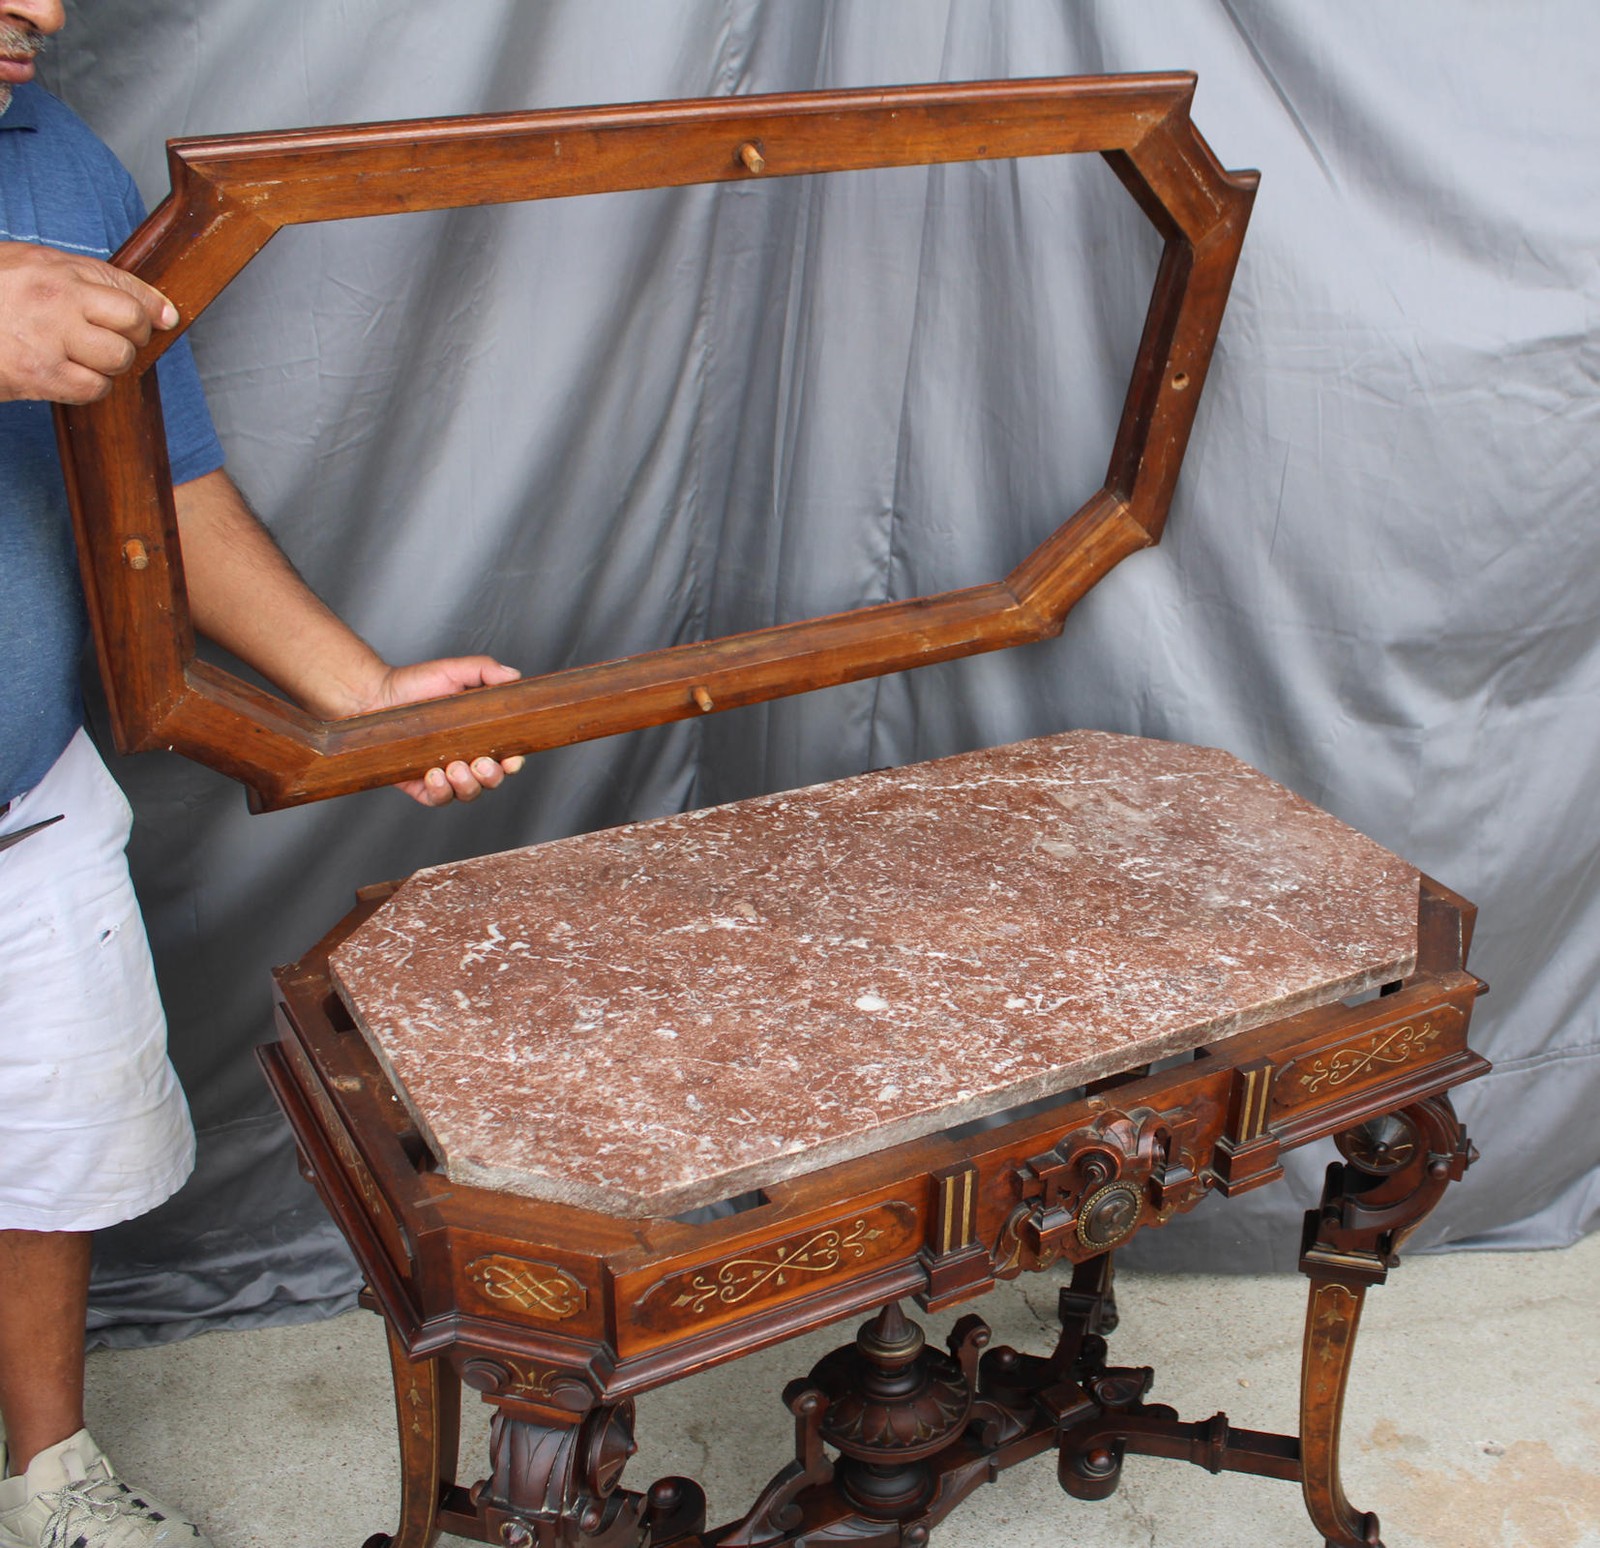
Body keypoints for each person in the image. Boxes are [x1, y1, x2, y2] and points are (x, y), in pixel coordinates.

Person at [0, 4, 524, 1543]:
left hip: (26, 803)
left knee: (41, 1150)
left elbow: (165, 480)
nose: (47, 2)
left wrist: (360, 695)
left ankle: (49, 1478)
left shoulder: (58, 156)